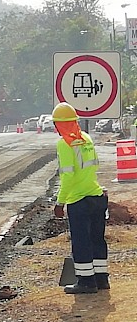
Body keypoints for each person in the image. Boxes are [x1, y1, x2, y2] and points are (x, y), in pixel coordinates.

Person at [52, 102, 109, 294]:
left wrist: (60, 202)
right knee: (97, 239)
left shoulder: (64, 144)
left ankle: (86, 281)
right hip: (97, 196)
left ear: (58, 125)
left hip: (78, 200)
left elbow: (67, 176)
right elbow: (94, 168)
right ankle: (101, 279)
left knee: (82, 241)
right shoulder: (86, 138)